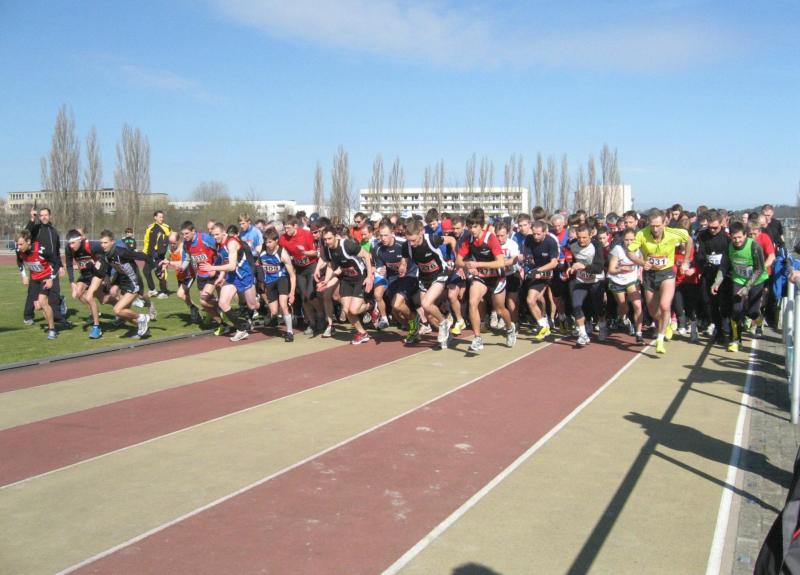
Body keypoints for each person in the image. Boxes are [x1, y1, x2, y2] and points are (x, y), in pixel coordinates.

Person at [627, 208, 694, 354]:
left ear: (664, 223)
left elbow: (689, 240)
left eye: (658, 225)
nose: (655, 229)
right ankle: (665, 323)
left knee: (664, 305)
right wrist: (642, 262)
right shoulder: (642, 234)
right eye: (652, 226)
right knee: (653, 311)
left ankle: (660, 339)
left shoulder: (673, 233)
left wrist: (686, 261)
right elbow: (630, 252)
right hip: (650, 275)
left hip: (667, 273)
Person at [457, 208, 517, 352]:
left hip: (497, 277)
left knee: (500, 309)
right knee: (473, 303)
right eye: (470, 227)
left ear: (481, 226)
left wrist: (478, 264)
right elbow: (458, 260)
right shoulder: (468, 240)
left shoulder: (491, 238)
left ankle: (510, 328)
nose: (472, 230)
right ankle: (477, 338)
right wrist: (467, 265)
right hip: (481, 277)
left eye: (475, 226)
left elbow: (500, 262)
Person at [713, 221, 769, 352]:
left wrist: (747, 287)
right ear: (730, 236)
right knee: (736, 310)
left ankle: (759, 319)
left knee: (752, 312)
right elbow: (724, 266)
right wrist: (717, 282)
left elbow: (759, 269)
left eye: (740, 237)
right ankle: (735, 340)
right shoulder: (729, 247)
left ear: (745, 235)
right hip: (738, 279)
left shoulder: (754, 246)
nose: (737, 240)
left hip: (756, 280)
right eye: (734, 238)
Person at [401, 218, 456, 348]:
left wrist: (456, 258)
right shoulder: (406, 246)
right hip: (424, 278)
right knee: (428, 315)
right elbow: (404, 258)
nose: (411, 244)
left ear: (421, 233)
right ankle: (448, 335)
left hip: (440, 274)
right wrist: (403, 266)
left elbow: (451, 240)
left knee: (426, 303)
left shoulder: (432, 239)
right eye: (409, 240)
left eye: (414, 240)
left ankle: (443, 323)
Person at [200, 223, 260, 342]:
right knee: (223, 303)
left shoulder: (231, 243)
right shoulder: (218, 245)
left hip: (245, 275)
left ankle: (265, 307)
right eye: (213, 235)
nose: (215, 237)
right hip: (232, 277)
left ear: (224, 233)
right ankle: (241, 328)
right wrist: (221, 276)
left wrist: (212, 268)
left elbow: (232, 266)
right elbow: (225, 261)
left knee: (252, 305)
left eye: (217, 234)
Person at [316, 226, 374, 345]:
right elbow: (331, 265)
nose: (327, 242)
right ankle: (362, 333)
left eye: (329, 238)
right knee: (347, 311)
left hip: (360, 278)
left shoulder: (347, 245)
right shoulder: (327, 250)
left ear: (335, 236)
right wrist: (326, 281)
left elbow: (366, 255)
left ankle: (371, 305)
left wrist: (369, 276)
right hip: (346, 280)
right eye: (325, 239)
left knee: (354, 310)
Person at [98, 229, 153, 338]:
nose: (103, 245)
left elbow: (141, 256)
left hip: (134, 282)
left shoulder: (121, 252)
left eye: (105, 242)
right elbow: (104, 269)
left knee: (117, 310)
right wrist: (107, 278)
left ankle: (142, 317)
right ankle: (144, 329)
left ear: (112, 242)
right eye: (101, 243)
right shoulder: (105, 255)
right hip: (124, 283)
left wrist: (156, 266)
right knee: (124, 313)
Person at [24, 206, 67, 326]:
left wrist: (60, 265)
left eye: (46, 215)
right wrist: (32, 219)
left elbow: (56, 251)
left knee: (55, 291)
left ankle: (57, 316)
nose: (43, 217)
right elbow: (25, 234)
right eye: (41, 215)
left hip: (52, 266)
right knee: (33, 292)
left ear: (50, 216)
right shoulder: (36, 229)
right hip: (38, 265)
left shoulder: (54, 231)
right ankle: (28, 316)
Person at [280, 216, 323, 335]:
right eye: (285, 228)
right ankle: (312, 323)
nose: (286, 231)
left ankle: (321, 316)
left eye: (288, 228)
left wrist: (304, 253)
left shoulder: (306, 234)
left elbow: (315, 253)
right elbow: (279, 250)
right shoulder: (283, 238)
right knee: (304, 297)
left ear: (295, 226)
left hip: (311, 266)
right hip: (299, 269)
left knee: (310, 295)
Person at [181, 220, 225, 334]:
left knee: (204, 300)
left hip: (212, 273)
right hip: (201, 275)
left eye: (186, 233)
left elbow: (221, 251)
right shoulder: (186, 244)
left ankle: (224, 311)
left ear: (193, 231)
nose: (184, 236)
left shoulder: (205, 239)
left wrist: (215, 268)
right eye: (183, 234)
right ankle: (221, 317)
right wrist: (181, 267)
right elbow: (186, 258)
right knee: (205, 303)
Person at [695, 209, 731, 345]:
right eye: (710, 227)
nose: (712, 230)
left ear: (721, 223)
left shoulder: (727, 237)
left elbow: (730, 256)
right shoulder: (703, 235)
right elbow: (699, 254)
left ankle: (726, 327)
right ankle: (718, 329)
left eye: (715, 227)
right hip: (709, 273)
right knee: (710, 302)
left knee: (724, 303)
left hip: (724, 275)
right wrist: (704, 261)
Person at [567, 224, 607, 347]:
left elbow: (599, 268)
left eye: (584, 237)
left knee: (598, 307)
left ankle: (602, 326)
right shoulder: (572, 244)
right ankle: (583, 334)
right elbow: (569, 258)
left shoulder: (596, 246)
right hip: (581, 281)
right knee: (576, 305)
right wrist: (569, 267)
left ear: (590, 235)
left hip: (596, 281)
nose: (581, 240)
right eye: (579, 237)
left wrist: (584, 267)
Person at [522, 220, 560, 341]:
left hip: (551, 272)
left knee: (557, 300)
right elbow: (527, 255)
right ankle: (543, 324)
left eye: (538, 234)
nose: (536, 236)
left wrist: (538, 270)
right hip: (538, 274)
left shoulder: (551, 242)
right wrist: (527, 259)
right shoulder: (529, 239)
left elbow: (554, 263)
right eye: (534, 234)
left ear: (545, 232)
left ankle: (560, 318)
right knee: (531, 299)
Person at [16, 230, 58, 339]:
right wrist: (24, 275)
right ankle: (59, 301)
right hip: (34, 279)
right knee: (38, 307)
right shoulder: (19, 250)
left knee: (43, 301)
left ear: (28, 241)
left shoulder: (41, 249)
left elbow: (56, 262)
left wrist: (51, 278)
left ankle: (52, 330)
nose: (19, 247)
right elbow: (19, 261)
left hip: (45, 277)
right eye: (17, 244)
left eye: (21, 244)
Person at [65, 229, 107, 338]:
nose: (71, 246)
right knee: (77, 294)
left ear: (80, 240)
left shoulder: (92, 245)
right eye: (69, 243)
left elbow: (107, 252)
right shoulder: (69, 248)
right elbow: (69, 265)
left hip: (96, 274)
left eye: (73, 243)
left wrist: (101, 264)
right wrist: (72, 282)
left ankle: (97, 327)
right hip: (85, 275)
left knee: (99, 299)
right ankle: (94, 313)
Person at [258, 228, 297, 342]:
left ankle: (289, 332)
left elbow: (292, 275)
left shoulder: (282, 254)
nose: (268, 244)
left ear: (276, 241)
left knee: (283, 304)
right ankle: (285, 314)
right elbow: (258, 263)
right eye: (266, 242)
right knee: (274, 311)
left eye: (270, 242)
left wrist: (292, 293)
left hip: (281, 279)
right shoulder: (260, 250)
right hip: (269, 281)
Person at [607, 228, 644, 343]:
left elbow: (642, 262)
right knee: (623, 307)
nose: (629, 242)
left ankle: (639, 333)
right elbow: (611, 270)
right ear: (623, 239)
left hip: (632, 281)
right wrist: (621, 269)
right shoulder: (618, 249)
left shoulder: (638, 249)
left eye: (632, 240)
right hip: (617, 281)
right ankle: (620, 318)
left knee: (638, 305)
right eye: (627, 240)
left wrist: (640, 273)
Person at [161, 231, 201, 324]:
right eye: (170, 243)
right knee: (186, 296)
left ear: (179, 240)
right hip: (179, 275)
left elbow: (183, 263)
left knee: (180, 294)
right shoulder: (169, 248)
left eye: (174, 243)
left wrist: (170, 263)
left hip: (189, 275)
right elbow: (166, 260)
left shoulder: (184, 248)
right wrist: (163, 269)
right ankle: (196, 314)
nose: (172, 245)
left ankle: (194, 308)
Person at [142, 210, 170, 298]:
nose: (162, 218)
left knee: (160, 273)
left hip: (159, 255)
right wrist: (144, 253)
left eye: (162, 217)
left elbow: (170, 240)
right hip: (149, 255)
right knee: (146, 271)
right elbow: (146, 241)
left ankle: (164, 292)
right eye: (160, 217)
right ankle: (152, 290)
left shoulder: (166, 228)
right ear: (155, 217)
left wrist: (167, 254)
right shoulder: (149, 228)